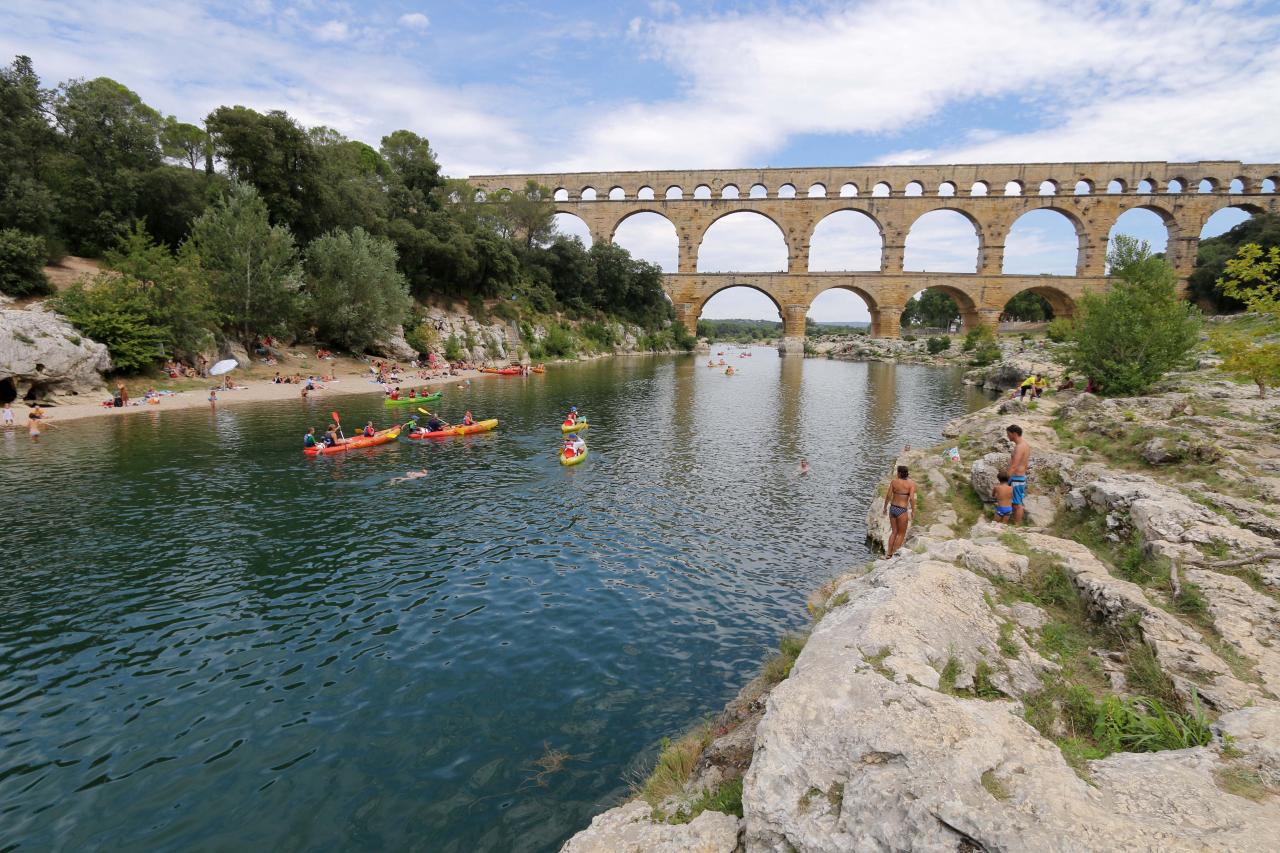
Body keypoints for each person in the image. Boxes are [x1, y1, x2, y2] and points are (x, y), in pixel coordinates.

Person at [882, 465, 916, 559]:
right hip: (902, 510)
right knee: (901, 534)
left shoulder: (894, 482)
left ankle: (888, 554)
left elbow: (888, 496)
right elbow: (912, 499)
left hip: (892, 508)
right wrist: (913, 511)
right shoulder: (911, 484)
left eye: (897, 472)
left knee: (894, 532)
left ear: (900, 473)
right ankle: (894, 554)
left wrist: (885, 508)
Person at [1006, 424, 1030, 525]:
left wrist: (1005, 479)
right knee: (1016, 501)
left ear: (1014, 434)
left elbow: (1014, 466)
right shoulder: (1025, 444)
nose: (1007, 436)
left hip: (1016, 478)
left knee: (1017, 504)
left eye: (1008, 434)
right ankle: (1015, 522)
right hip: (1020, 476)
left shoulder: (1020, 447)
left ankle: (1017, 525)